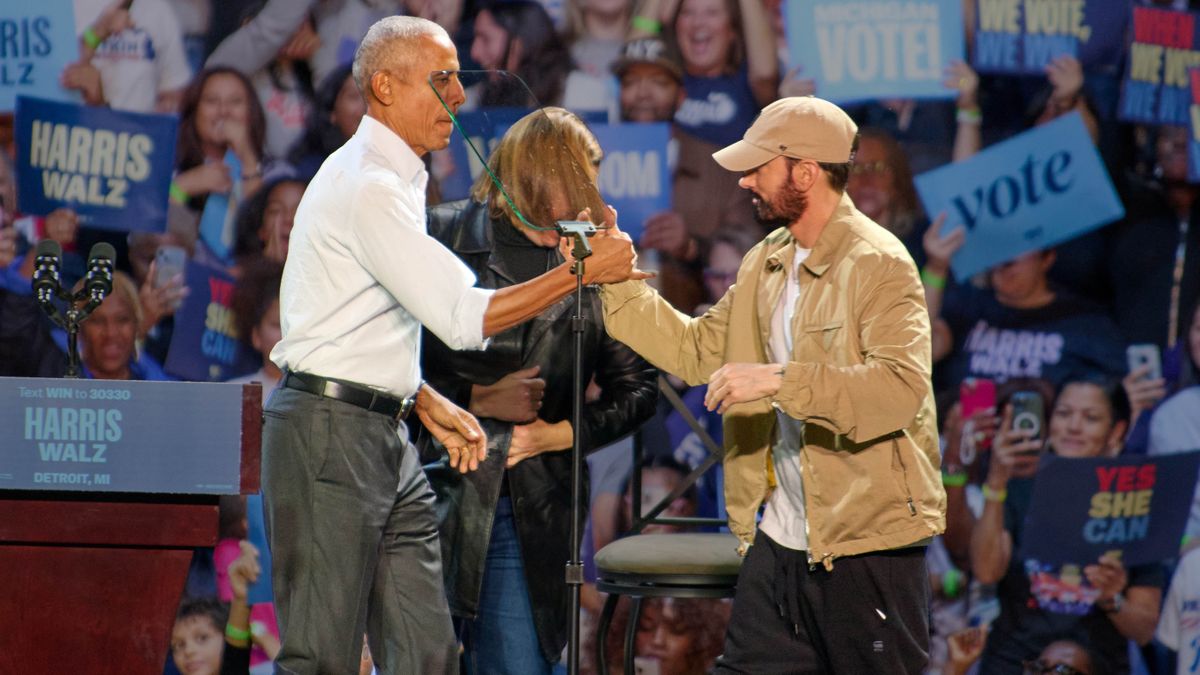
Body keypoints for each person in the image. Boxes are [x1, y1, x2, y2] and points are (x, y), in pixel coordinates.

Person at [261, 16, 646, 675]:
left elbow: (357, 322)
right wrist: (582, 271)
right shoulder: (368, 187)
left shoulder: (400, 184)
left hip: (387, 437)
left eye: (459, 80)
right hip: (329, 435)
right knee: (321, 657)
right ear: (384, 86)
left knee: (427, 655)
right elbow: (466, 319)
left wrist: (422, 396)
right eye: (441, 81)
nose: (460, 97)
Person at [598, 96, 945, 672]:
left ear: (806, 172)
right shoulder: (766, 261)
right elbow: (696, 351)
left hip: (868, 547)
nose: (745, 181)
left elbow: (897, 392)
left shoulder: (880, 263)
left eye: (760, 167)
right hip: (781, 539)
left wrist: (779, 380)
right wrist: (615, 284)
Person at [420, 107, 658, 674]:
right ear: (531, 173)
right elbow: (387, 362)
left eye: (590, 180)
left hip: (527, 507)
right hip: (427, 491)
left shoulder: (593, 256)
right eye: (575, 178)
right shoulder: (440, 232)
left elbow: (640, 387)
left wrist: (556, 434)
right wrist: (473, 400)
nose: (586, 197)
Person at [971, 377, 1164, 673]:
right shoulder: (1020, 487)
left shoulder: (1137, 500)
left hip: (1098, 662)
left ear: (1116, 431)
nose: (1073, 426)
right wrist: (997, 481)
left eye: (1091, 418)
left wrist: (1110, 597)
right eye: (1063, 414)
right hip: (1015, 660)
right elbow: (986, 570)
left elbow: (1144, 629)